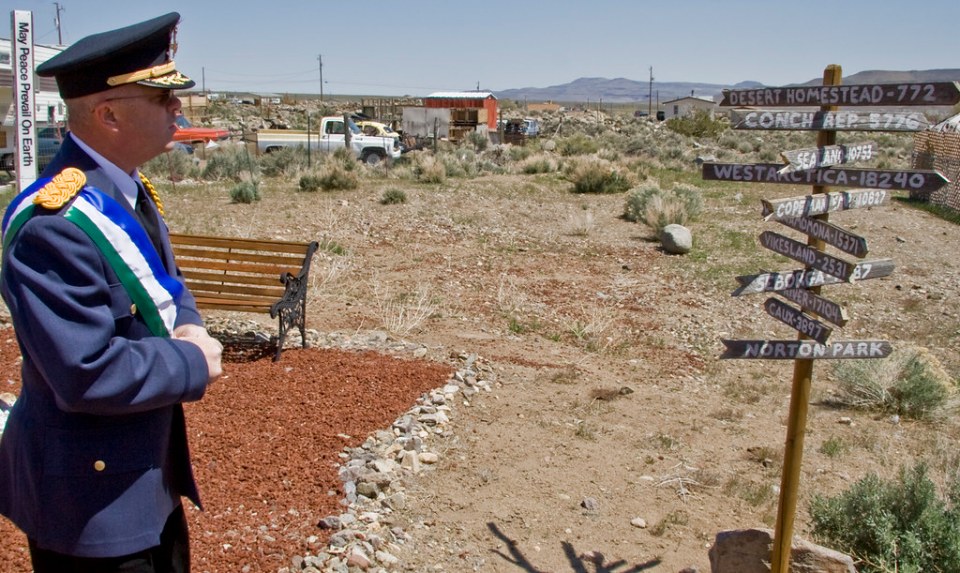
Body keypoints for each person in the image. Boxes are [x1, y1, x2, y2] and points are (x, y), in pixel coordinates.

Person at [0, 12, 222, 573]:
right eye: (162, 98)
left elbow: (165, 283)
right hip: (92, 507)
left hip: (149, 481)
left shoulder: (127, 188)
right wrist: (190, 359)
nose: (177, 108)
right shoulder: (57, 222)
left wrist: (190, 322)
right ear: (108, 114)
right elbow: (85, 370)